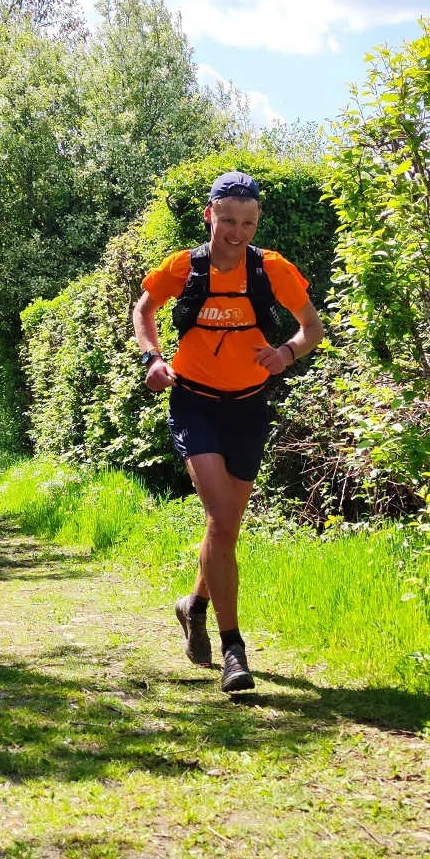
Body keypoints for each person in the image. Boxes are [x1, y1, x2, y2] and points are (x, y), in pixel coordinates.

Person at [131, 171, 325, 693]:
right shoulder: (184, 266)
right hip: (194, 403)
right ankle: (233, 650)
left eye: (248, 223)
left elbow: (312, 326)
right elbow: (144, 308)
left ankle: (193, 604)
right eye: (228, 221)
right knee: (220, 517)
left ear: (256, 222)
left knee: (225, 530)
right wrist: (152, 357)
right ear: (209, 216)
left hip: (249, 406)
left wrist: (286, 351)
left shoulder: (272, 269)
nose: (237, 233)